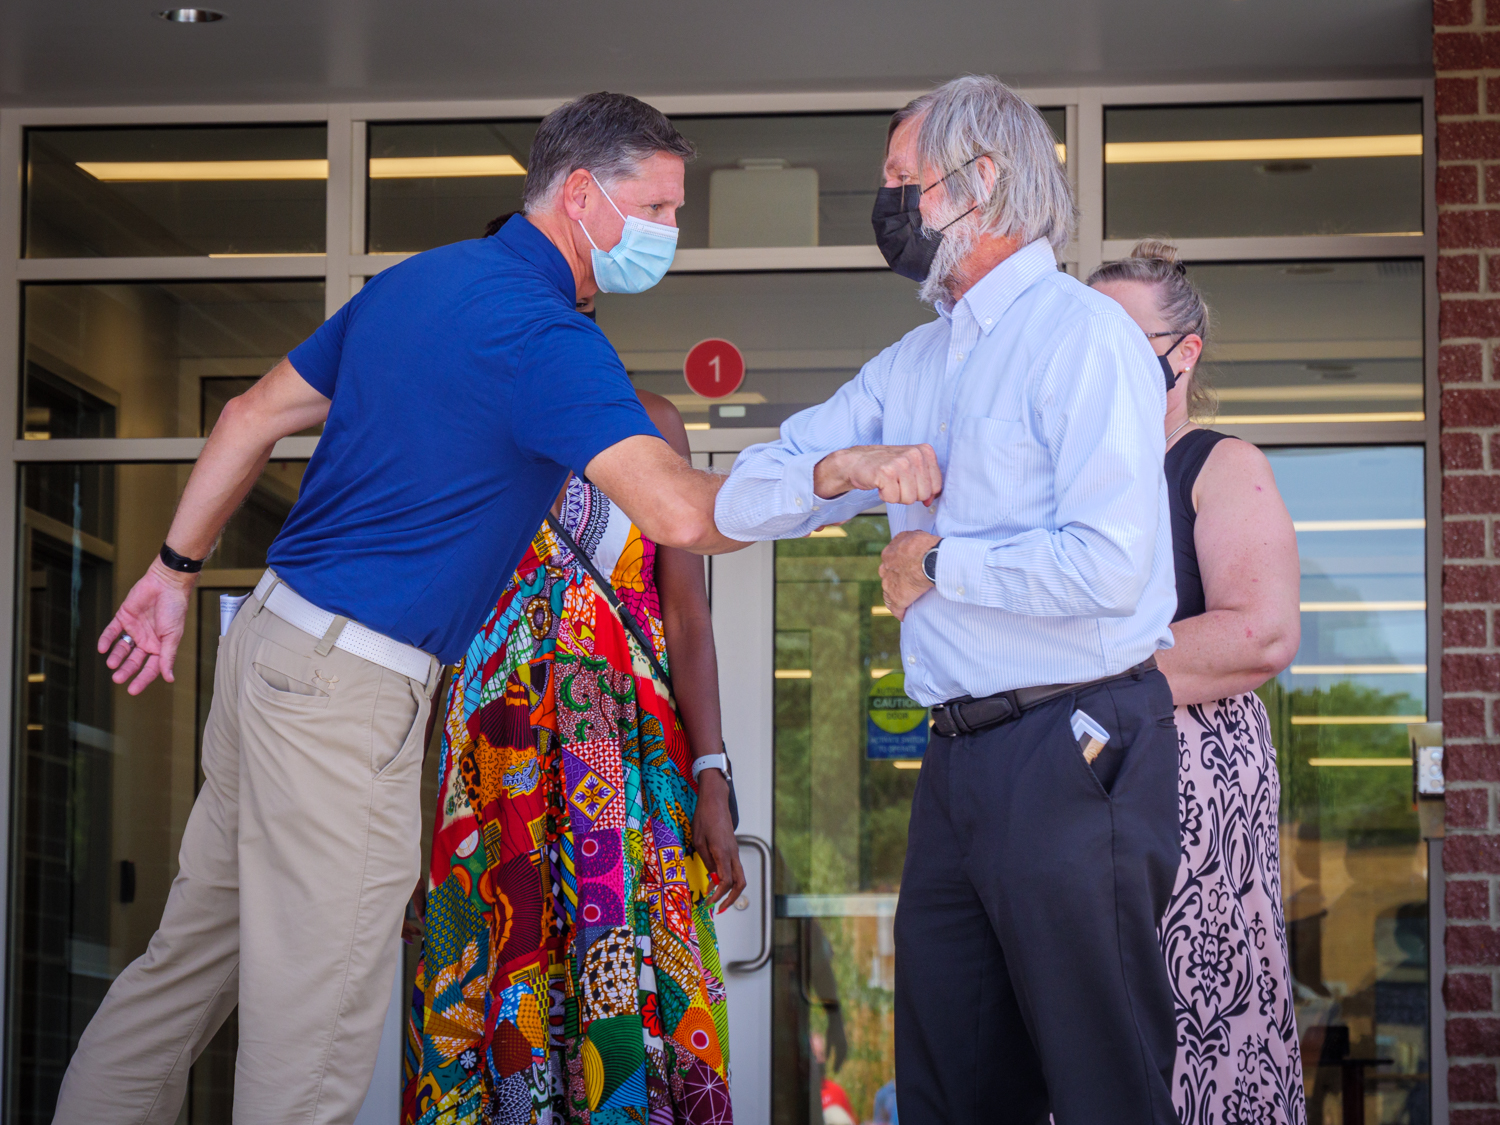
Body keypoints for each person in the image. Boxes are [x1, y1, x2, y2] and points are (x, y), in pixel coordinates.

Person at [53, 91, 746, 1125]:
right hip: (349, 692)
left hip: (272, 649)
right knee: (315, 1041)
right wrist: (842, 478)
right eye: (660, 208)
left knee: (184, 970)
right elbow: (682, 516)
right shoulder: (547, 337)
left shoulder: (415, 284)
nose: (670, 233)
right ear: (582, 196)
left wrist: (172, 569)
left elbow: (249, 416)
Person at [717, 75, 1182, 1123]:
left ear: (981, 182)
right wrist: (840, 470)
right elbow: (746, 494)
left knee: (1105, 1085)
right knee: (951, 1089)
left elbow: (1113, 566)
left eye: (900, 181)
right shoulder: (914, 363)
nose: (886, 207)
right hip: (959, 762)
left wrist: (937, 563)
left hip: (1079, 744)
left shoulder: (1085, 339)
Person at [402, 367, 743, 1123]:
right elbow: (434, 626)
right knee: (500, 973)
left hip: (624, 755)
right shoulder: (461, 424)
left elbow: (686, 615)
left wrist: (713, 773)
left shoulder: (649, 419)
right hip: (496, 757)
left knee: (619, 971)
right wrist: (408, 808)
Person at [1089, 242, 1307, 1125]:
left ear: (1184, 352)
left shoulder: (1219, 464)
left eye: (1124, 336)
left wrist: (1082, 678)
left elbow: (1260, 631)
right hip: (1083, 783)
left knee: (1200, 1025)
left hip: (1190, 788)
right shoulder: (1075, 482)